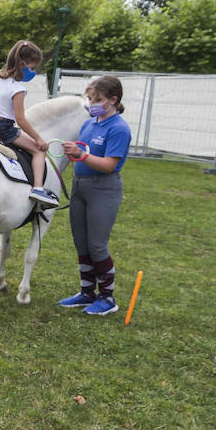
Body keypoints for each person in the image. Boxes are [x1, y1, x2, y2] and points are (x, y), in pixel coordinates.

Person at [58, 75, 132, 316]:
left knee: (97, 245)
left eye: (97, 99)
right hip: (81, 188)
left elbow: (109, 164)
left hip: (103, 189)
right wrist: (72, 153)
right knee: (82, 244)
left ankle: (107, 298)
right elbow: (84, 153)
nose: (92, 104)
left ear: (113, 99)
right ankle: (87, 292)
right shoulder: (90, 124)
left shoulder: (119, 128)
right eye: (90, 99)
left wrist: (80, 155)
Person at [0, 40, 57, 207]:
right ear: (23, 64)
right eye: (32, 67)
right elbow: (20, 119)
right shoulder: (18, 87)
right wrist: (39, 139)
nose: (33, 71)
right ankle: (37, 188)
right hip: (3, 127)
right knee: (38, 151)